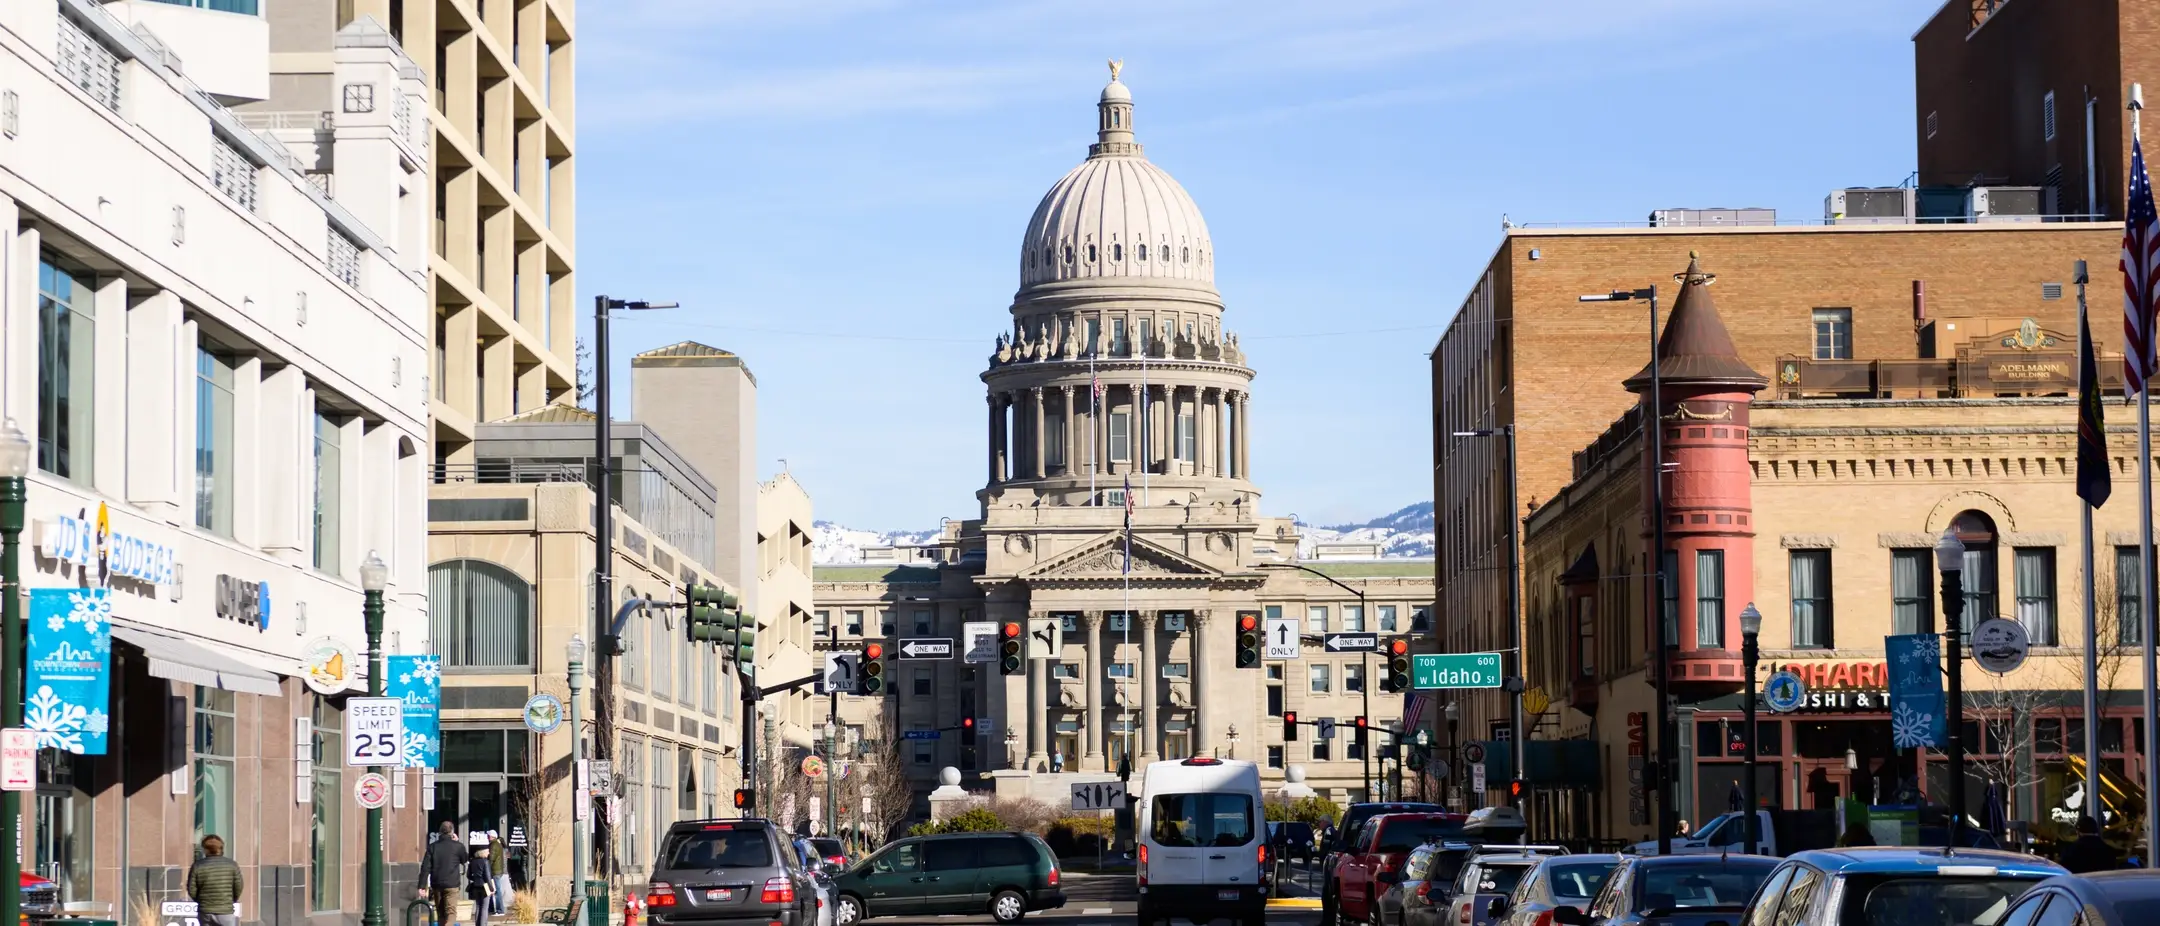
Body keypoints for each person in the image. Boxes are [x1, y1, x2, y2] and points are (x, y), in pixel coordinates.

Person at [420, 821, 470, 925]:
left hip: (437, 883)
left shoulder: (432, 847)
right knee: (451, 912)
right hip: (452, 883)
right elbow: (464, 859)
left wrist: (422, 886)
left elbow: (425, 867)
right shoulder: (458, 846)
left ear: (440, 832)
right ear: (452, 832)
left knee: (441, 913)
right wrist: (457, 841)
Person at [187, 835, 243, 926]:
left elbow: (191, 889)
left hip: (205, 911)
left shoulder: (197, 865)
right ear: (221, 848)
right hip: (225, 910)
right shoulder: (232, 865)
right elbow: (238, 887)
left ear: (205, 849)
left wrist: (201, 901)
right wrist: (231, 900)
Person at [466, 833, 496, 926]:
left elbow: (468, 875)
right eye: (487, 851)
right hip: (484, 887)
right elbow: (487, 876)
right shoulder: (485, 862)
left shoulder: (472, 861)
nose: (489, 853)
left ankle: (477, 924)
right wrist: (491, 888)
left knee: (478, 906)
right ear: (483, 852)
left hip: (475, 886)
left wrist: (475, 878)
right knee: (484, 908)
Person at [487, 830, 511, 915]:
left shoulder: (493, 845)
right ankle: (493, 909)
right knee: (496, 890)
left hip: (495, 871)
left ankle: (500, 910)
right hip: (498, 871)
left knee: (497, 891)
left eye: (488, 835)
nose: (487, 837)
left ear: (491, 836)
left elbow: (491, 858)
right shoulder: (498, 845)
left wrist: (486, 867)